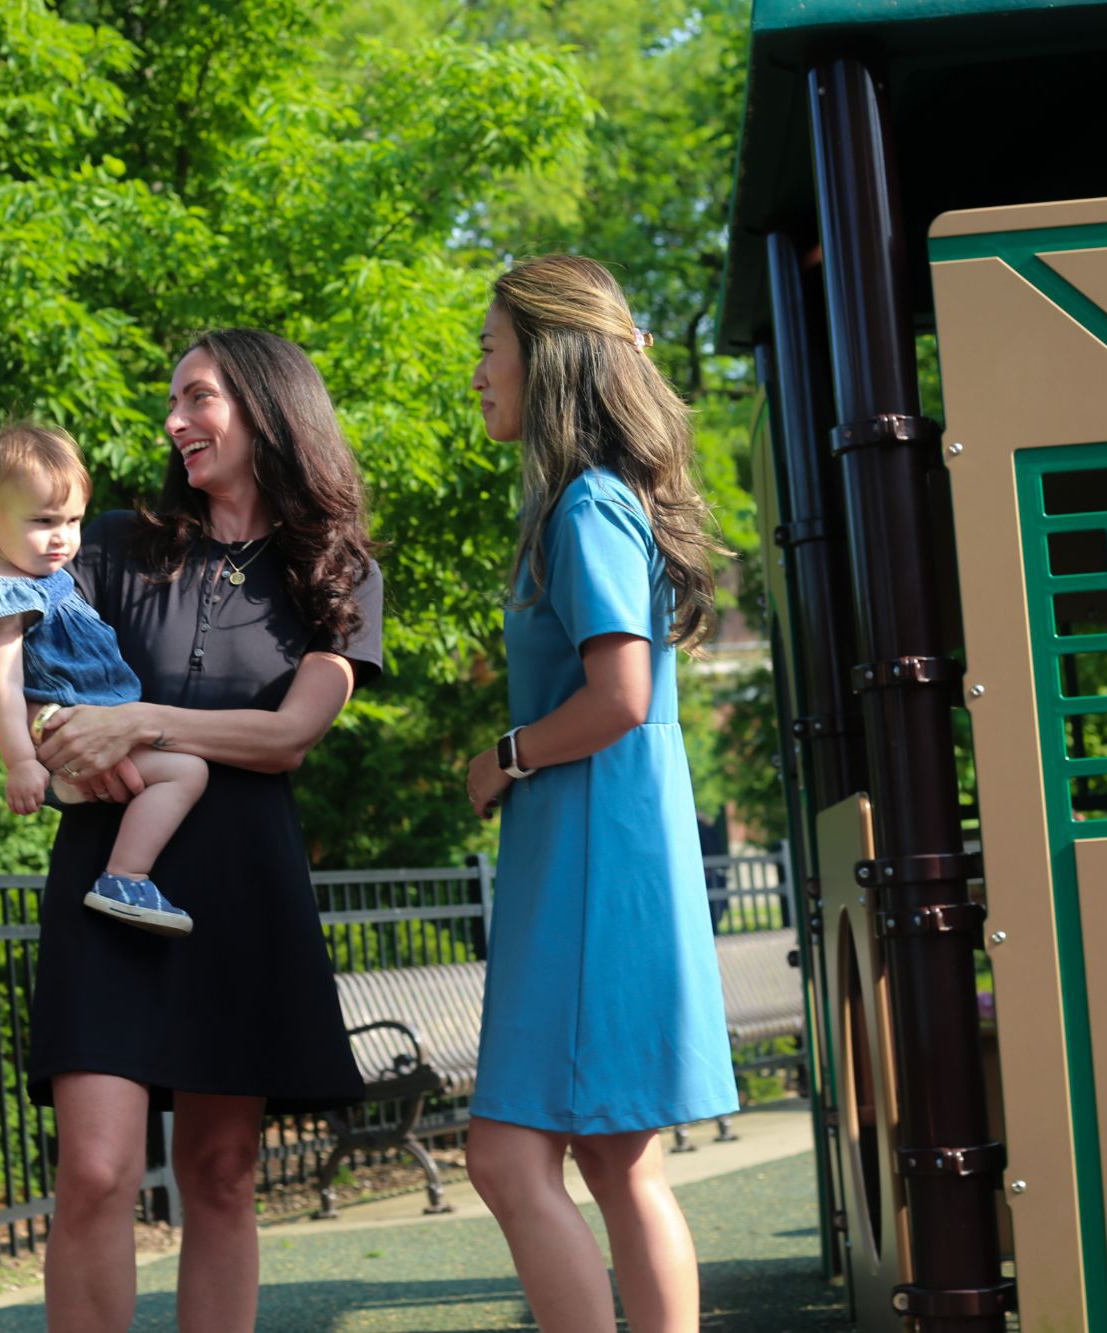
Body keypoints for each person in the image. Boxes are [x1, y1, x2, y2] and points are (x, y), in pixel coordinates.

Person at [0, 329, 381, 1332]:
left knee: (223, 1171)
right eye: (173, 400)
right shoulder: (105, 541)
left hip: (242, 892)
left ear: (267, 407)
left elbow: (288, 736)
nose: (174, 420)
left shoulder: (337, 569)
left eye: (198, 397)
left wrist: (142, 722)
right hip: (103, 882)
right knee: (96, 1168)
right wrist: (60, 743)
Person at [463, 255, 738, 1333]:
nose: (478, 373)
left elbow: (618, 696)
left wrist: (504, 755)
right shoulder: (604, 499)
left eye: (489, 348)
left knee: (505, 1159)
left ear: (546, 359)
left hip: (587, 853)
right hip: (613, 843)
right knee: (622, 1158)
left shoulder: (583, 504)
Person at [0, 422, 209, 935]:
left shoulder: (41, 577)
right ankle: (124, 877)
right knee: (188, 771)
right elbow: (1, 687)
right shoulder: (3, 597)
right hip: (75, 736)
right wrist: (21, 763)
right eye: (44, 520)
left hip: (98, 728)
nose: (64, 537)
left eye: (73, 520)